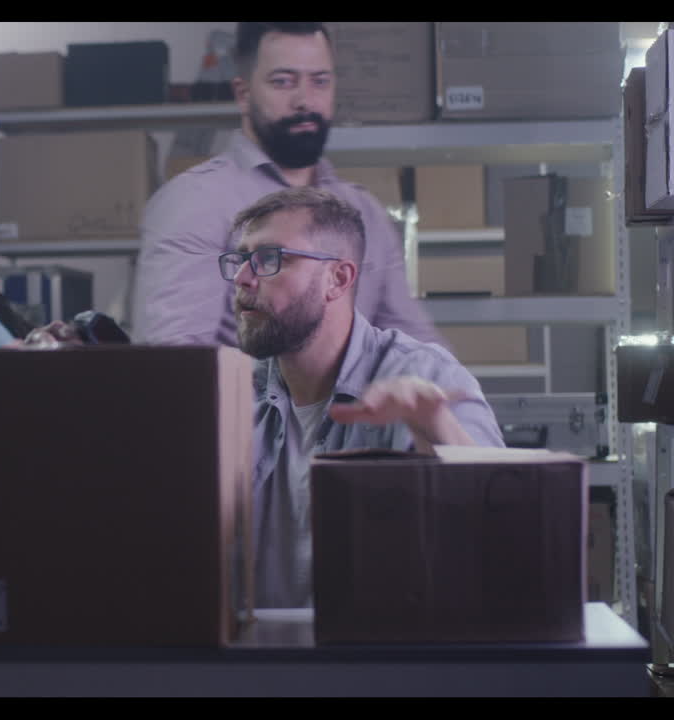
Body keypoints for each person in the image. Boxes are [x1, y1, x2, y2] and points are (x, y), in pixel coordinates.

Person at [222, 186, 503, 609]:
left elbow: (505, 530)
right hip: (259, 662)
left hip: (383, 665)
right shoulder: (234, 397)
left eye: (269, 259)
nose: (244, 277)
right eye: (242, 259)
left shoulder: (424, 377)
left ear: (338, 279)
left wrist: (438, 431)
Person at [133, 22, 445, 349]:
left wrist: (444, 394)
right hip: (240, 401)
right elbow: (175, 365)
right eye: (283, 81)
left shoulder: (365, 212)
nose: (304, 101)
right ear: (243, 94)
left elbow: (419, 352)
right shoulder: (195, 203)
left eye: (319, 81)